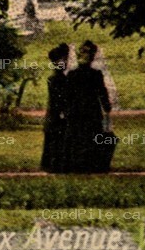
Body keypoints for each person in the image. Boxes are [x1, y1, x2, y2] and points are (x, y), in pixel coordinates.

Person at [63, 40, 115, 173]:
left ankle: (77, 165)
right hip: (91, 110)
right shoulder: (95, 74)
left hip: (77, 110)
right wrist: (107, 107)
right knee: (90, 137)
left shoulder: (73, 74)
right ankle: (90, 164)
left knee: (78, 138)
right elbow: (102, 92)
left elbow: (67, 95)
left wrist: (65, 110)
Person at [40, 43, 72, 172]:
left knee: (56, 140)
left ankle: (53, 164)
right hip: (57, 115)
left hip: (54, 115)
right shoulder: (57, 79)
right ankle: (56, 165)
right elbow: (58, 99)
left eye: (65, 60)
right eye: (61, 60)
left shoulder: (57, 78)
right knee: (57, 140)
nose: (64, 63)